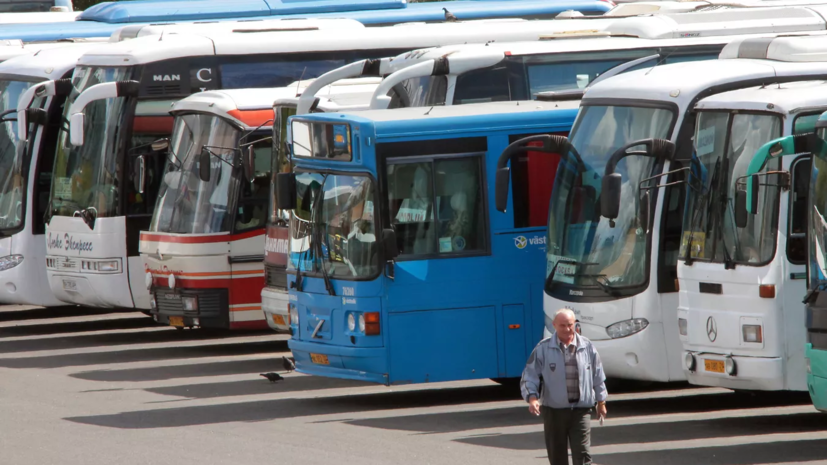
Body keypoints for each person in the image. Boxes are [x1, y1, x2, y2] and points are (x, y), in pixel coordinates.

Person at [521, 308, 608, 465]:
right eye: (562, 325)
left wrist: (601, 402)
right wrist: (532, 398)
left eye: (570, 325)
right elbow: (530, 375)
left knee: (583, 456)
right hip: (554, 413)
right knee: (557, 457)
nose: (567, 329)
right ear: (554, 325)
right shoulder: (543, 348)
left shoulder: (587, 347)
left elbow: (598, 375)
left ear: (575, 324)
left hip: (581, 411)